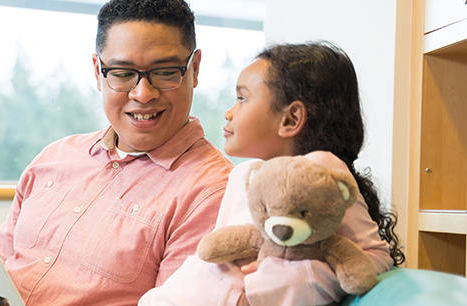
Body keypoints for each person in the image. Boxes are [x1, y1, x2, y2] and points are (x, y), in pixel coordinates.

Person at [0, 0, 233, 306]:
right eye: (122, 73)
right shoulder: (54, 158)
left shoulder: (215, 193)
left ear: (195, 69)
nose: (143, 93)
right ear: (97, 71)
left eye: (164, 72)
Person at [138, 41, 404, 306]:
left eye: (242, 98)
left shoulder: (322, 169)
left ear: (290, 119)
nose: (229, 112)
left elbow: (375, 257)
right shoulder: (244, 175)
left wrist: (287, 281)